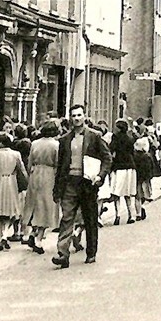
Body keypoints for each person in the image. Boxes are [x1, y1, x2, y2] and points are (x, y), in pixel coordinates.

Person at [52, 103, 112, 268]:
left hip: (87, 184)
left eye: (79, 115)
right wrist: (57, 189)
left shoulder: (95, 136)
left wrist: (100, 176)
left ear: (84, 116)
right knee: (67, 218)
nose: (77, 118)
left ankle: (91, 252)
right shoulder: (65, 140)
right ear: (70, 118)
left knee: (90, 219)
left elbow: (107, 158)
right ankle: (62, 254)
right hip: (70, 182)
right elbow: (60, 166)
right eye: (74, 115)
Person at [22, 123, 60, 253]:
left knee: (33, 204)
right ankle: (38, 239)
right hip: (49, 174)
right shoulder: (55, 145)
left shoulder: (35, 143)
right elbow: (57, 163)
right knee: (45, 205)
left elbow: (29, 161)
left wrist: (30, 174)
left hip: (35, 173)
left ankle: (32, 231)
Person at [108, 119, 139, 225]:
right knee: (129, 193)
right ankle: (132, 215)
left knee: (117, 193)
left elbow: (111, 149)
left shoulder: (115, 137)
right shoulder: (129, 138)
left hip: (119, 166)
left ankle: (118, 215)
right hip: (130, 166)